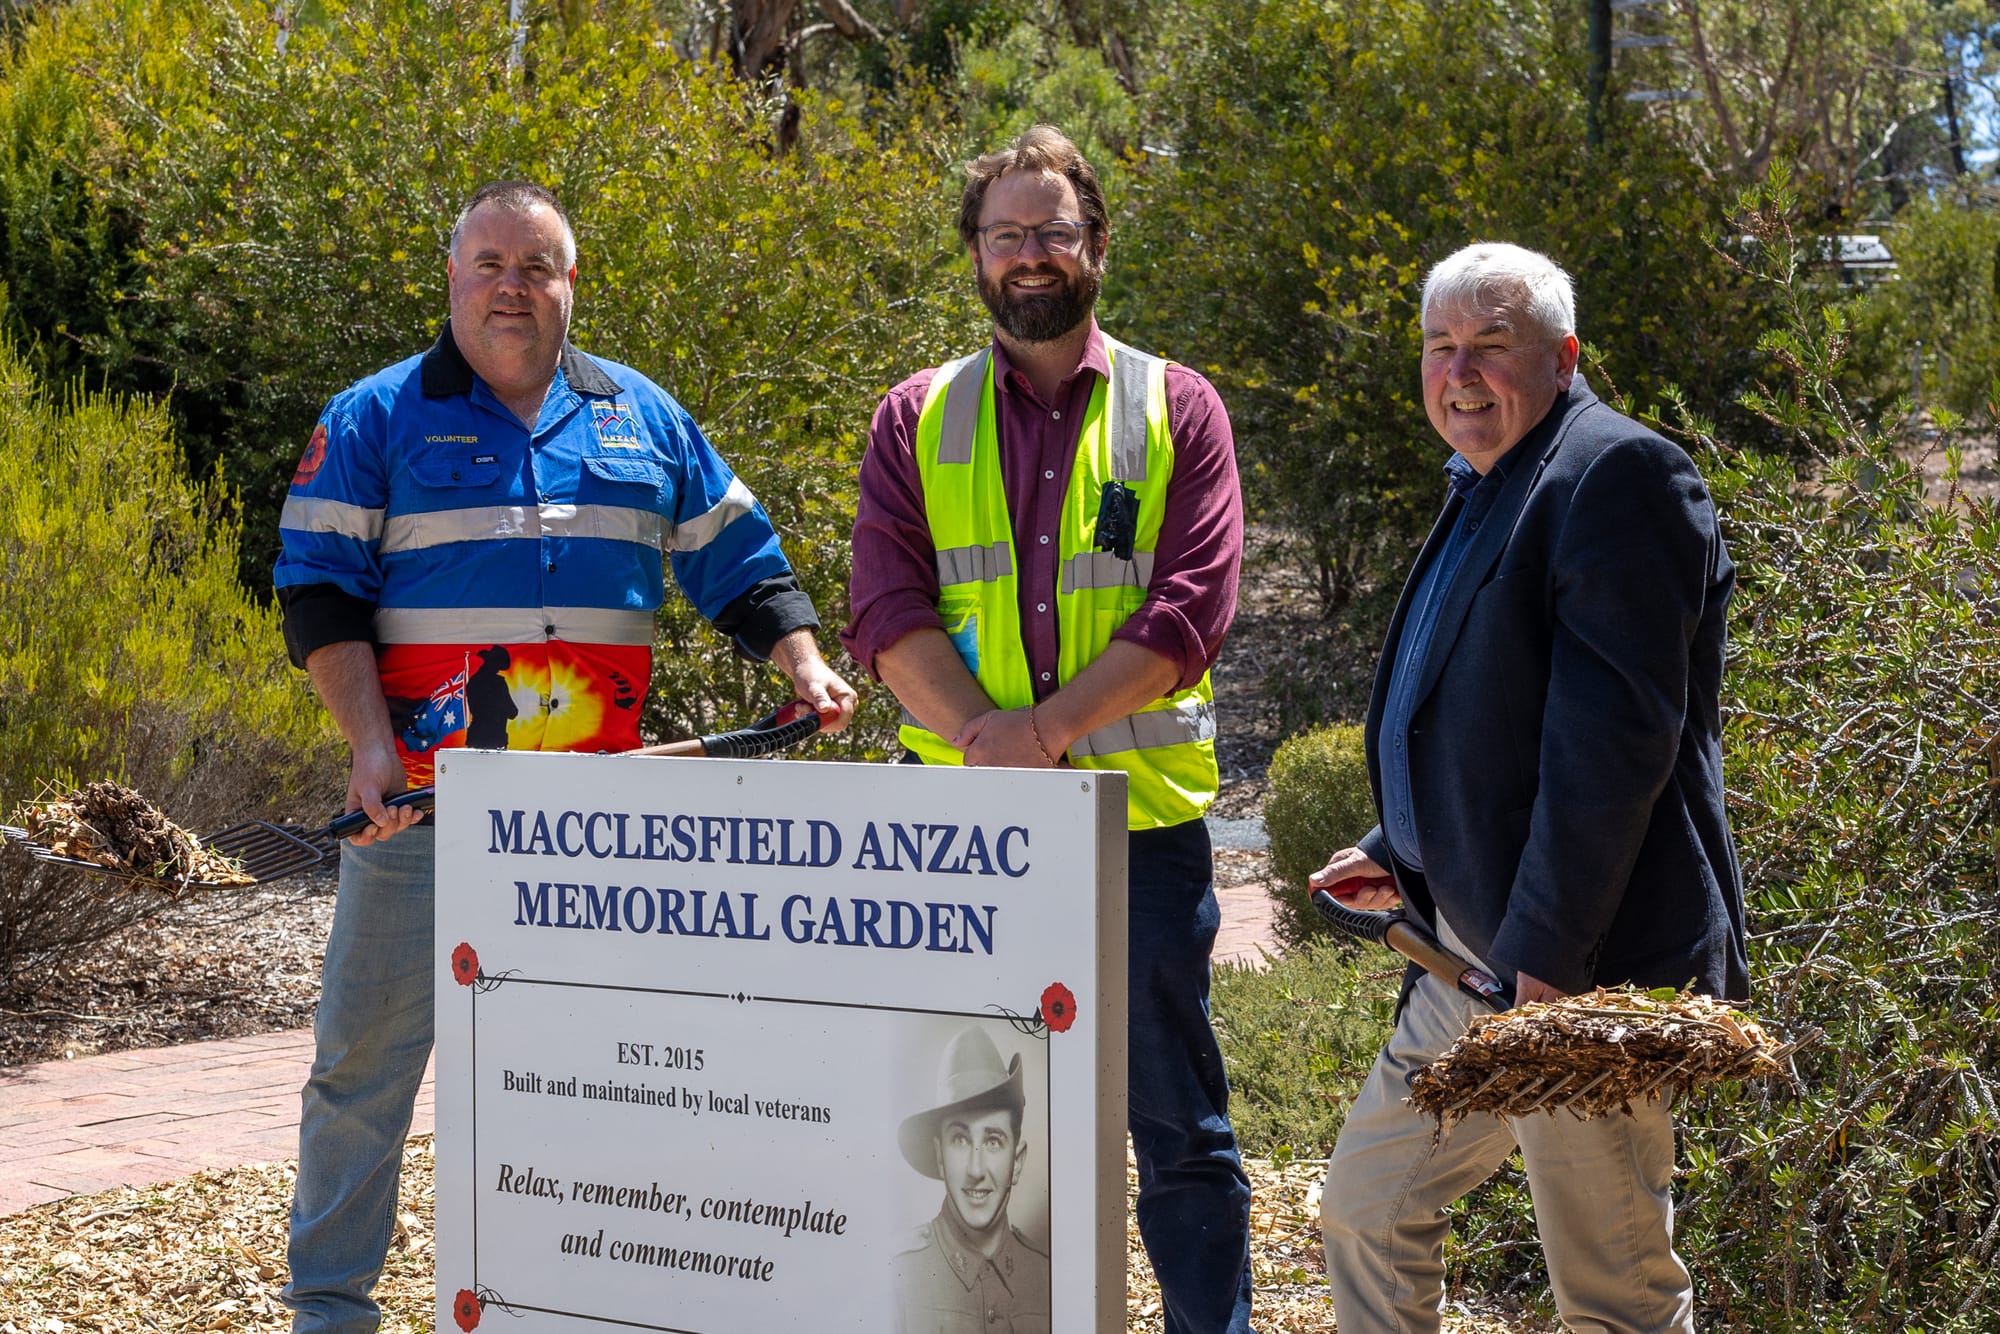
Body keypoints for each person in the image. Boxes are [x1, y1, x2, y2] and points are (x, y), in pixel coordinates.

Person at [273, 180, 857, 1331]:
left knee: (595, 1072)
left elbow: (739, 558)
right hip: (420, 814)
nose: (511, 286)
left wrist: (800, 659)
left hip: (592, 830)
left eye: (535, 266)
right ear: (451, 277)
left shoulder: (644, 418)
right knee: (363, 1072)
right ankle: (329, 1308)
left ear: (570, 282)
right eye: (489, 264)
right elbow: (317, 593)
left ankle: (578, 1300)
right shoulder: (374, 417)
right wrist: (369, 745)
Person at [843, 125, 1254, 1334]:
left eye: (1053, 231)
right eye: (1006, 233)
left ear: (1097, 246)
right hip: (959, 840)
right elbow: (886, 610)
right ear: (974, 253)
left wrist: (1048, 733)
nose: (1030, 253)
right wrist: (988, 738)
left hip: (1136, 837)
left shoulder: (1176, 406)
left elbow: (1191, 608)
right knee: (965, 1124)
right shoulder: (914, 416)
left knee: (1175, 1127)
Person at [1307, 241, 1747, 1334]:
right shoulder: (1490, 478)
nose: (1459, 372)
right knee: (1366, 1213)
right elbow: (1482, 710)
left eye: (1490, 344)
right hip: (1466, 955)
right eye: (1439, 345)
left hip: (1576, 973)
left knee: (1612, 1293)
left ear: (1563, 356)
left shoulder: (1618, 474)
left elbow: (1611, 748)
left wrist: (1547, 963)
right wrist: (1400, 850)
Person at [892, 1026, 1051, 1334]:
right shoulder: (898, 1274)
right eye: (960, 1140)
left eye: (993, 1141)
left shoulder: (1046, 1274)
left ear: (1016, 1162)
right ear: (939, 1156)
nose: (976, 1170)